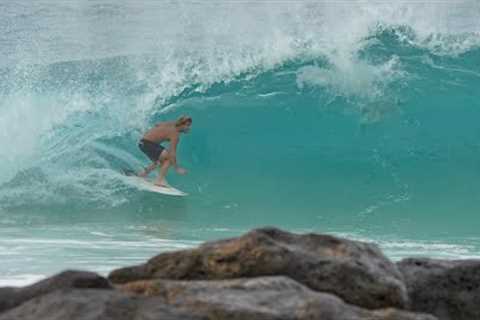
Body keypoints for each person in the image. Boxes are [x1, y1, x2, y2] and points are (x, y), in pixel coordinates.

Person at [137, 115, 192, 187]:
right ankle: (159, 180)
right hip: (148, 144)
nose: (188, 128)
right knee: (168, 158)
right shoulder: (175, 134)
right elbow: (172, 153)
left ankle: (142, 174)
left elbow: (157, 124)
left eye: (189, 125)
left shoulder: (170, 124)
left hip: (142, 142)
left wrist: (158, 134)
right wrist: (177, 168)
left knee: (158, 161)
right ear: (182, 124)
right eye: (187, 125)